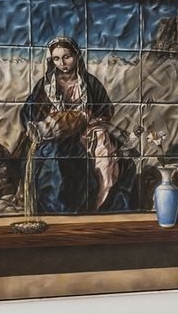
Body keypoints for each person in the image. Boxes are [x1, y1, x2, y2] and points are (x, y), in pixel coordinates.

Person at [18, 36, 128, 213]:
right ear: (51, 60)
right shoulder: (46, 84)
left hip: (86, 129)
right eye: (56, 58)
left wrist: (90, 118)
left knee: (103, 155)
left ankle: (99, 202)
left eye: (67, 57)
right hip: (55, 132)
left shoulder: (89, 82)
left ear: (76, 56)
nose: (62, 63)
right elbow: (29, 111)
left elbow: (106, 109)